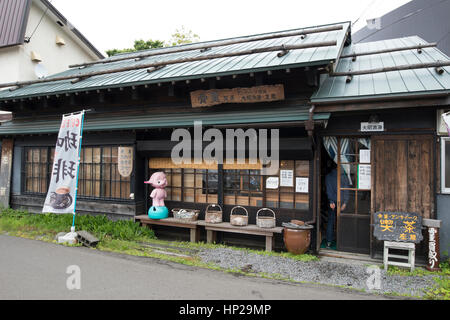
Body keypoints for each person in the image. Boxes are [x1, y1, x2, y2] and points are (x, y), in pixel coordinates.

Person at [325, 162, 350, 249]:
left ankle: (329, 242)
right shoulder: (343, 177)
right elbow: (346, 191)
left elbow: (328, 190)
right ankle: (343, 241)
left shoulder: (328, 176)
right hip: (341, 202)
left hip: (332, 202)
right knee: (342, 221)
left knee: (331, 221)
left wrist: (331, 201)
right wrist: (345, 203)